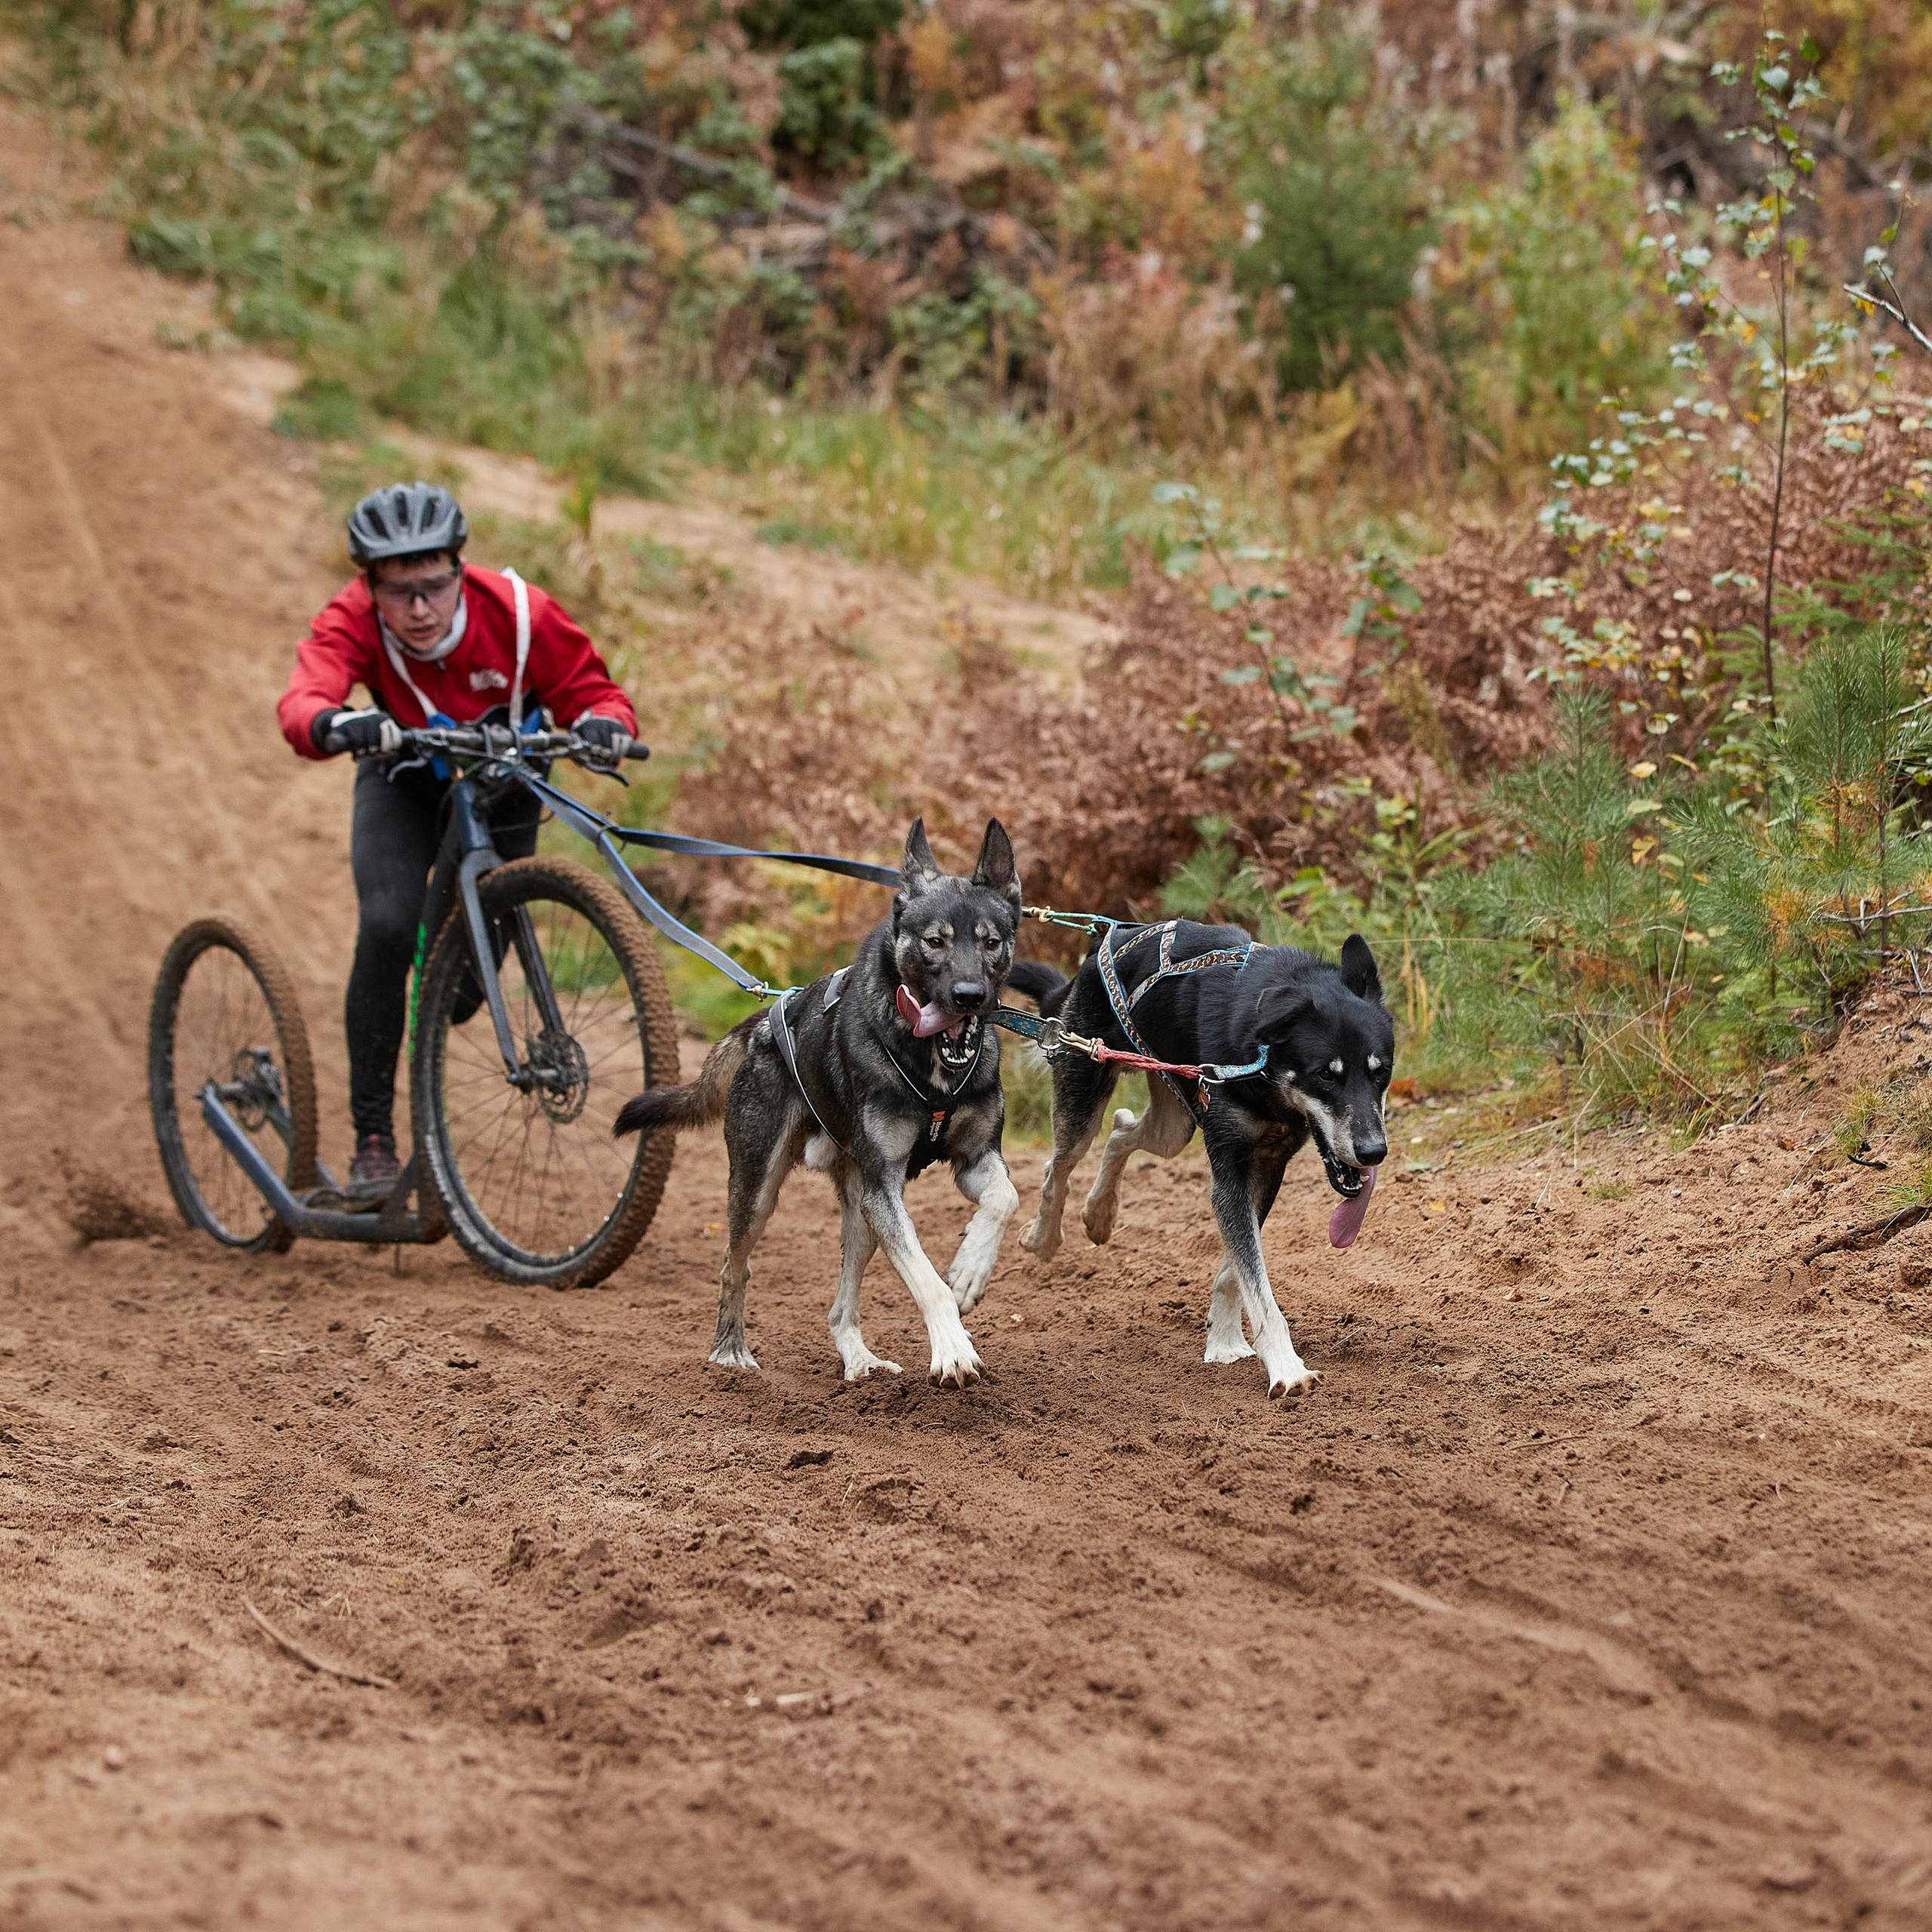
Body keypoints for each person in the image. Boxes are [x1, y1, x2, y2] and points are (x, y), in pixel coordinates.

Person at [278, 481, 639, 1197]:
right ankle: (374, 1138)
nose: (418, 608)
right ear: (369, 585)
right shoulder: (352, 617)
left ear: (459, 570)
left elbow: (595, 691)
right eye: (398, 591)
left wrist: (606, 725)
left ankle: (435, 1034)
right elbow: (305, 698)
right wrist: (334, 722)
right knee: (387, 928)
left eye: (435, 586)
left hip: (503, 783)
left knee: (462, 993)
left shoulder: (520, 613)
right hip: (404, 782)